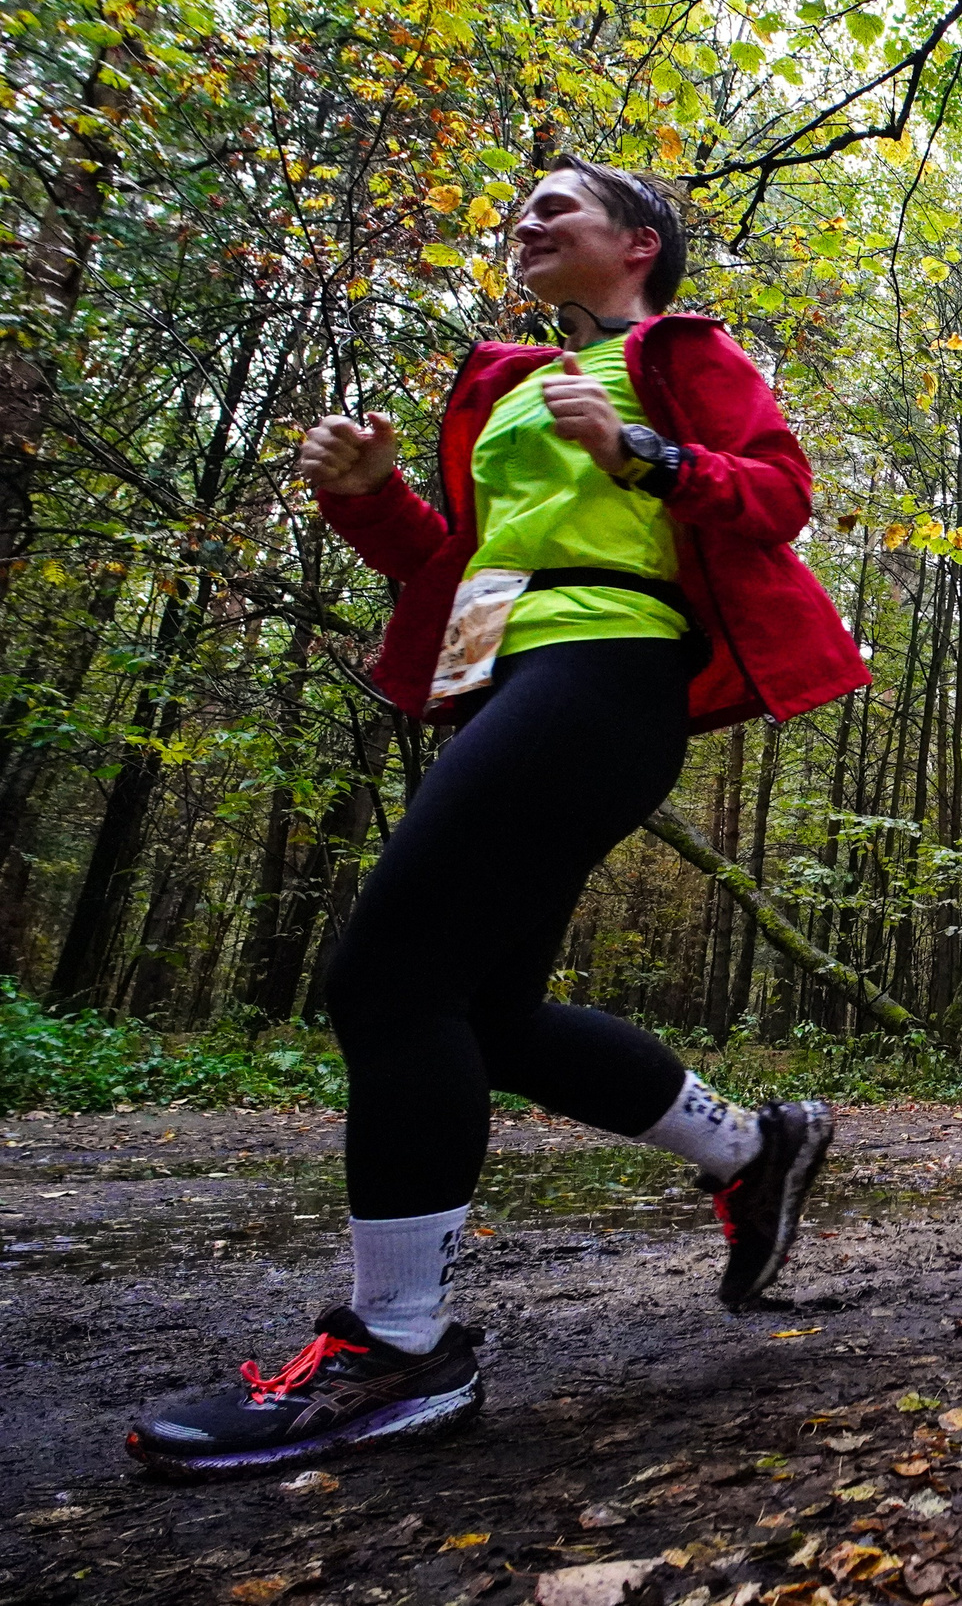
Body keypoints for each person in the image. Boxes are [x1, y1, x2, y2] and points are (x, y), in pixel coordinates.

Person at [126, 158, 871, 1480]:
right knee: (489, 1011)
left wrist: (641, 447)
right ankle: (753, 1147)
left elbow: (778, 494)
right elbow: (454, 564)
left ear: (638, 244)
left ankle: (398, 1344)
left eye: (559, 207)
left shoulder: (673, 351)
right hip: (506, 677)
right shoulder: (505, 382)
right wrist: (368, 493)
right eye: (519, 209)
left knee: (390, 977)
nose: (527, 221)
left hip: (612, 667)